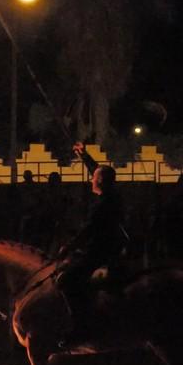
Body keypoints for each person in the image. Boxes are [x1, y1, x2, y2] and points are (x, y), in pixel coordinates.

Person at [54, 142, 128, 348]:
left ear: (101, 182)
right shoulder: (112, 195)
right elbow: (100, 171)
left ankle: (80, 327)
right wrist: (84, 156)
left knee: (66, 281)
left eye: (94, 178)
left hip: (101, 252)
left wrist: (67, 247)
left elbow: (88, 230)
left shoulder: (104, 204)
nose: (91, 180)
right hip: (107, 248)